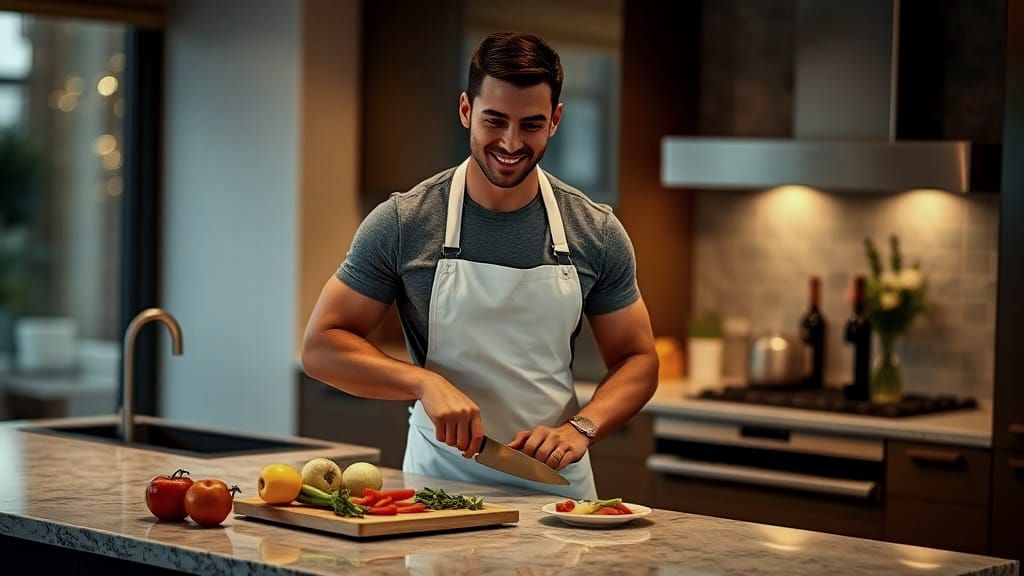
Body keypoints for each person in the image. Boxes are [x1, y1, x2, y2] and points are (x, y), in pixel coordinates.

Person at [301, 32, 658, 499]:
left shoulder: (595, 230)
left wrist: (581, 428)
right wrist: (423, 383)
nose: (511, 143)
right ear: (466, 110)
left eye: (531, 125)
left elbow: (639, 360)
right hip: (437, 491)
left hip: (555, 493)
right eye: (495, 121)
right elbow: (321, 347)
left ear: (555, 120)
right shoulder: (405, 221)